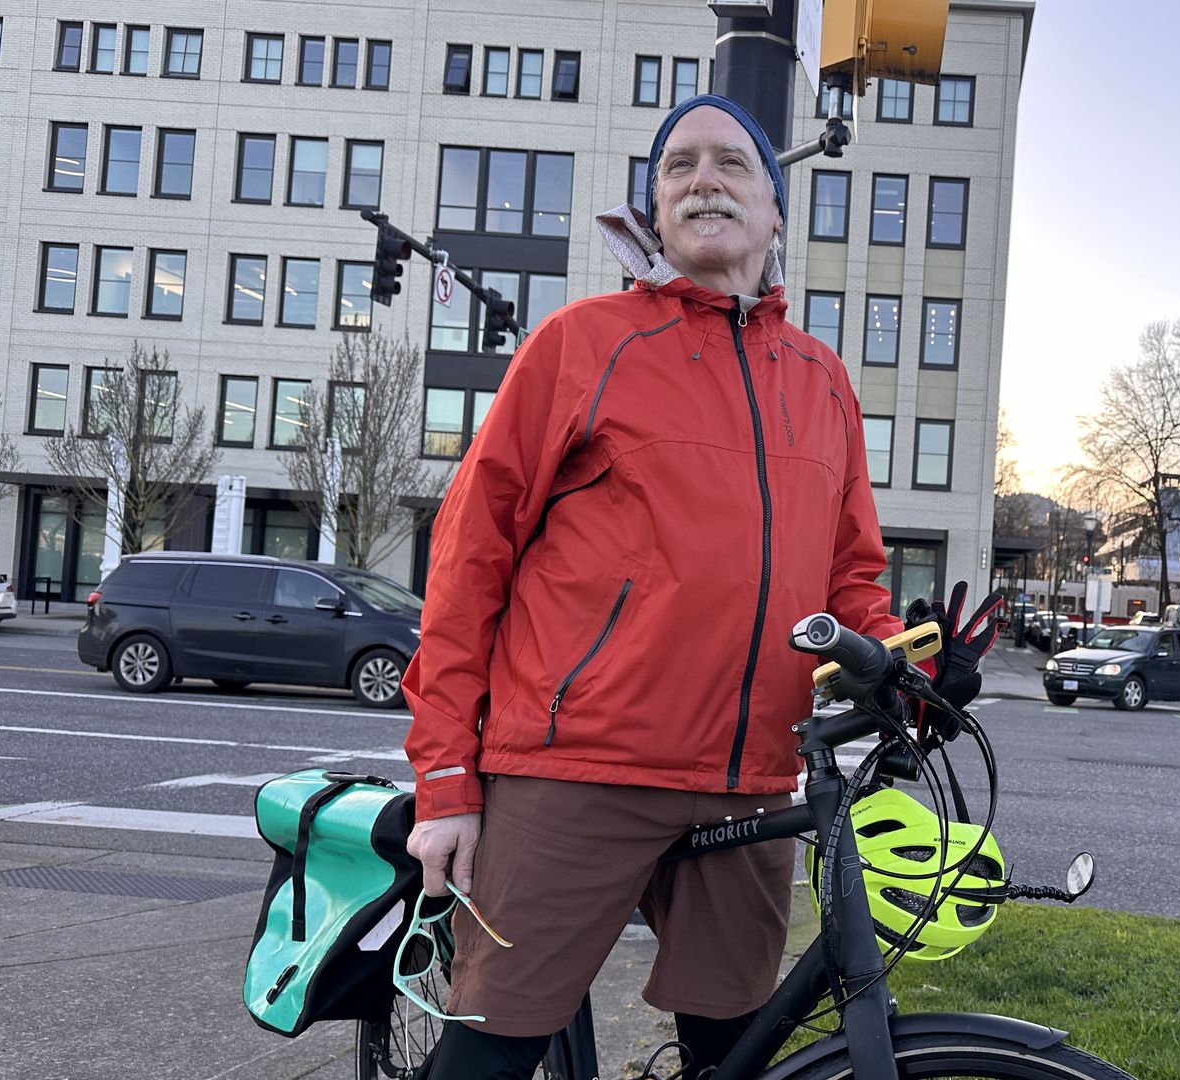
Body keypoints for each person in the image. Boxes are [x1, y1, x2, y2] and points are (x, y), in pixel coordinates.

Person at [400, 95, 921, 1080]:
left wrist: (904, 667)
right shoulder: (581, 345)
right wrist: (445, 783)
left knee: (736, 1055)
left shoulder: (823, 383)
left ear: (775, 215)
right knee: (491, 1056)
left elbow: (852, 582)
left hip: (751, 784)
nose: (700, 179)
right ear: (654, 210)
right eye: (678, 167)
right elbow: (471, 563)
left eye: (730, 162)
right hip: (576, 772)